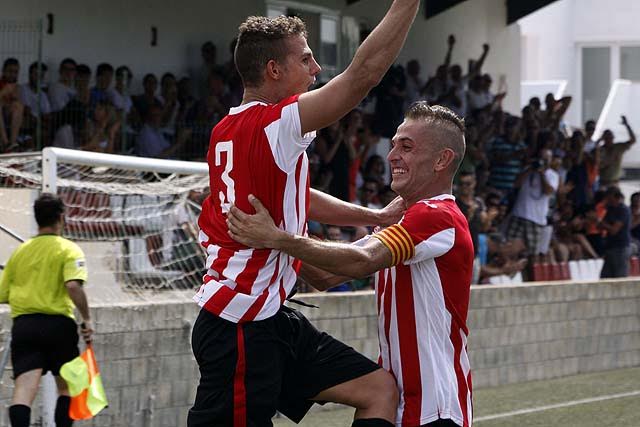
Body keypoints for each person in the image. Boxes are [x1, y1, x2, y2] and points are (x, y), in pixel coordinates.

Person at [189, 2, 420, 426]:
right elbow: (361, 78)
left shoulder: (231, 127)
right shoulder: (272, 124)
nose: (316, 68)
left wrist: (376, 216)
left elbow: (299, 196)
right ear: (274, 70)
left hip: (269, 317)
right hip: (240, 324)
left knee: (378, 389)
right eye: (306, 57)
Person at [227, 102, 475, 427]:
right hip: (400, 402)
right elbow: (327, 275)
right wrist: (265, 228)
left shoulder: (437, 215)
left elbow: (361, 261)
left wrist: (278, 238)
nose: (392, 156)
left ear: (442, 160)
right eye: (394, 145)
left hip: (436, 408)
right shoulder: (407, 220)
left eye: (407, 147)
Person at [0, 193, 93, 427]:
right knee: (67, 388)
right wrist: (87, 320)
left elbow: (3, 294)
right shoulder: (69, 249)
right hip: (58, 326)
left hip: (25, 325)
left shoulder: (20, 252)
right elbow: (73, 285)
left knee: (23, 390)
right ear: (62, 217)